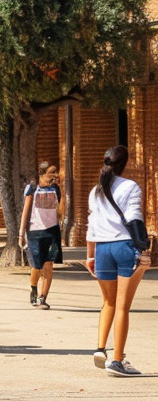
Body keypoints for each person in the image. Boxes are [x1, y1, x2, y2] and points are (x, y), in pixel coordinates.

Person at [86, 145, 147, 376]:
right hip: (123, 246)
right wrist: (143, 249)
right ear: (126, 163)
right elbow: (134, 217)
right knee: (122, 305)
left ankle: (101, 349)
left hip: (101, 249)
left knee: (108, 302)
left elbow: (91, 225)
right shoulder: (130, 186)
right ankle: (117, 360)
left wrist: (89, 255)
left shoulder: (95, 191)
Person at [19, 161, 62, 310]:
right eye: (51, 173)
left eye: (55, 173)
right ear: (42, 174)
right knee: (36, 266)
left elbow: (60, 210)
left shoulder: (56, 189)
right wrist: (21, 234)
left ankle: (43, 298)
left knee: (49, 265)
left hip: (52, 231)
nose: (54, 176)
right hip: (35, 231)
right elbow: (25, 211)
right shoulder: (32, 188)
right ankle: (34, 290)